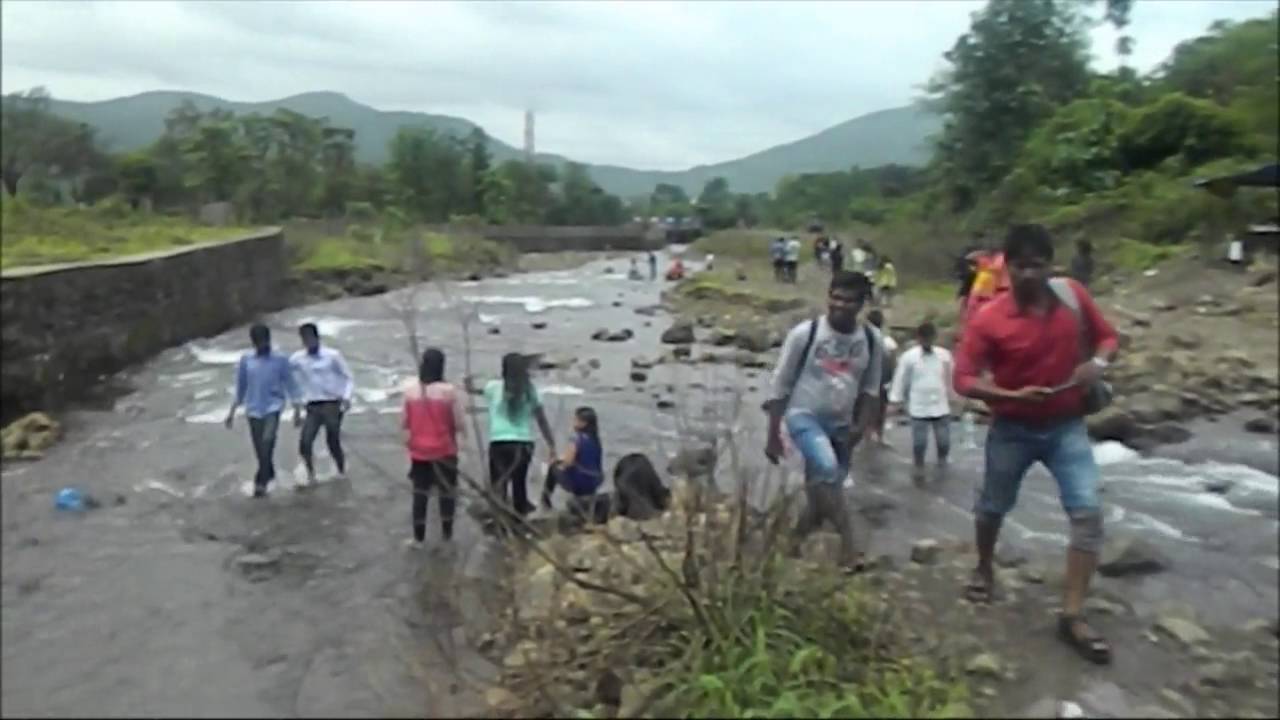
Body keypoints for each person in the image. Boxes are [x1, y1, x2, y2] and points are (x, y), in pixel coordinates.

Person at [953, 223, 1119, 665]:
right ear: (1006, 267)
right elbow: (963, 378)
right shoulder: (989, 318)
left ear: (1051, 264)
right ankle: (984, 566)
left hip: (1066, 425)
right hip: (1012, 427)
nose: (1030, 274)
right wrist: (1009, 396)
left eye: (1038, 265)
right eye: (1021, 265)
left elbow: (1109, 337)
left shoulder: (1071, 297)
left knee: (1087, 513)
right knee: (992, 507)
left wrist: (1097, 365)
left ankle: (1072, 615)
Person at [765, 270, 883, 574]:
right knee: (828, 470)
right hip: (803, 416)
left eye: (849, 300)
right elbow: (780, 384)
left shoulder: (870, 338)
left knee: (822, 489)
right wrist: (773, 434)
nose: (840, 305)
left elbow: (871, 389)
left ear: (862, 304)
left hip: (842, 424)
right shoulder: (806, 334)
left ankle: (792, 542)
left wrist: (861, 427)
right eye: (835, 297)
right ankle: (849, 547)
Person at [224, 324, 302, 498]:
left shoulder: (280, 360)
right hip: (253, 409)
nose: (262, 345)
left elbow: (292, 385)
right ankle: (269, 472)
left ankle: (260, 481)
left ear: (269, 339)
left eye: (265, 341)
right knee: (260, 450)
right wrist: (231, 412)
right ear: (253, 342)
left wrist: (297, 409)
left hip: (273, 407)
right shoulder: (246, 360)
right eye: (259, 342)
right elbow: (240, 387)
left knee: (268, 441)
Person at [402, 348, 465, 547]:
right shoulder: (449, 392)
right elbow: (458, 423)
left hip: (419, 452)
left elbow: (404, 423)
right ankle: (447, 535)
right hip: (444, 450)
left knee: (420, 495)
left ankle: (418, 538)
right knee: (447, 495)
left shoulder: (410, 391)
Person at [483, 353, 558, 519]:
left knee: (498, 484)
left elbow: (476, 390)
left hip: (499, 441)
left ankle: (499, 524)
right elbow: (542, 420)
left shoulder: (493, 387)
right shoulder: (530, 391)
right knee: (519, 484)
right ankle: (519, 522)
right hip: (523, 443)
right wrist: (551, 444)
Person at [888, 321, 954, 481]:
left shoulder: (944, 355)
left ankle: (942, 461)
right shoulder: (909, 357)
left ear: (934, 337)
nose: (927, 342)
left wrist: (954, 394)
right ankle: (919, 465)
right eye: (924, 339)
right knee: (920, 442)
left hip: (940, 403)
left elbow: (951, 375)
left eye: (930, 338)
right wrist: (895, 400)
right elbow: (900, 378)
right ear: (919, 338)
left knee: (944, 440)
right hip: (919, 405)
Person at [290, 322, 354, 485]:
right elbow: (287, 376)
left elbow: (348, 377)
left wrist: (346, 397)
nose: (308, 343)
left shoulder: (332, 355)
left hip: (333, 403)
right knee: (305, 441)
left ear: (317, 338)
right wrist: (295, 404)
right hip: (312, 405)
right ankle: (311, 475)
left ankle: (341, 470)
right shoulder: (297, 359)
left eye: (310, 339)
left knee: (332, 439)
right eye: (304, 340)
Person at [542, 406, 605, 522]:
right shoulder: (596, 439)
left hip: (580, 481)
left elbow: (568, 462)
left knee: (552, 468)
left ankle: (545, 503)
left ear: (583, 423)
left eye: (576, 420)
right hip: (595, 481)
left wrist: (557, 464)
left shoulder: (576, 438)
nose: (573, 422)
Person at [865, 309, 897, 446]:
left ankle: (868, 433)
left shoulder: (864, 338)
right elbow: (894, 363)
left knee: (867, 407)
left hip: (867, 381)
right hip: (883, 380)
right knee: (881, 408)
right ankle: (879, 434)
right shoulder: (889, 342)